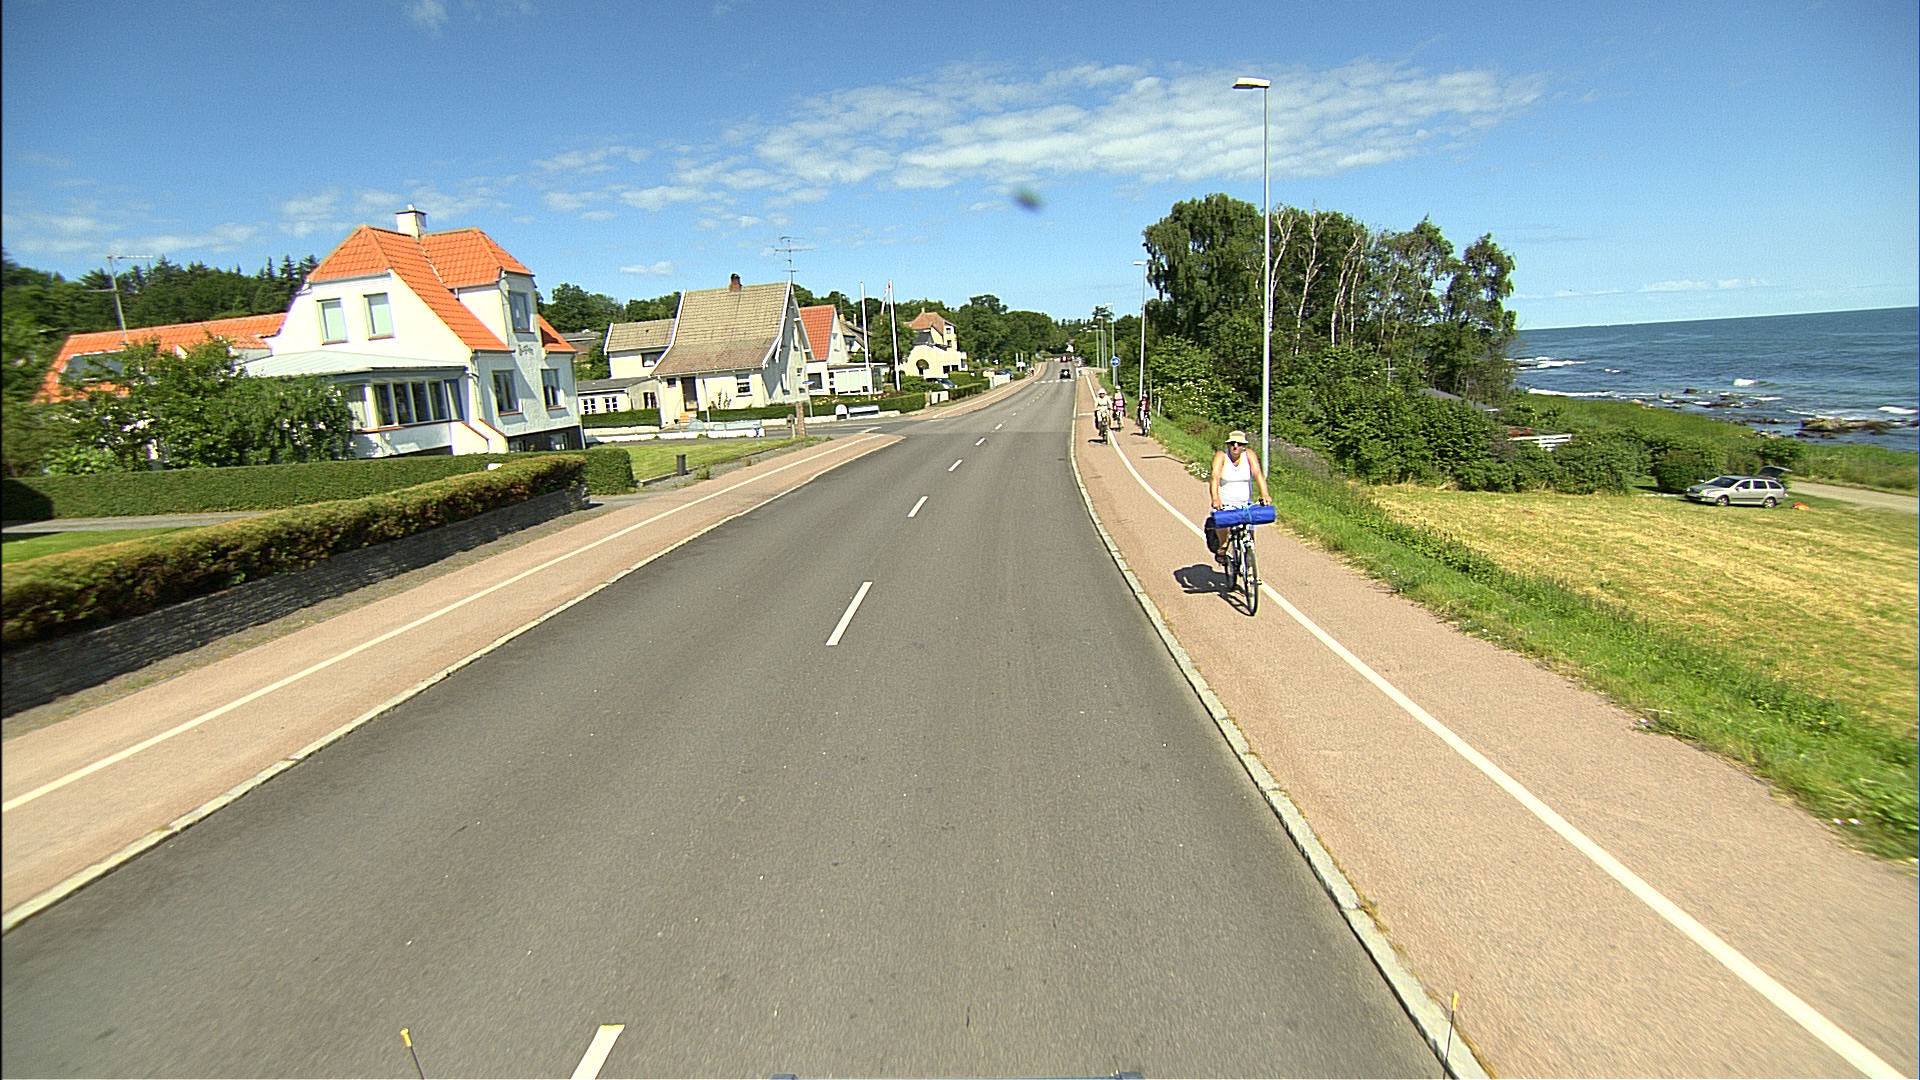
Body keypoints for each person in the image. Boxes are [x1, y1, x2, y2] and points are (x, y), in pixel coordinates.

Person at [1208, 430, 1271, 563]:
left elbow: (1258, 474)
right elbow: (1215, 477)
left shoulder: (1249, 455)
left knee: (1249, 533)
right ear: (1228, 445)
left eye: (1239, 444)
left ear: (1244, 446)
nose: (1235, 446)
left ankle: (1249, 562)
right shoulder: (1221, 456)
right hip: (1225, 502)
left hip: (1245, 502)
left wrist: (1265, 494)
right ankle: (1223, 546)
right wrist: (1215, 498)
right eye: (1232, 443)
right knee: (1223, 525)